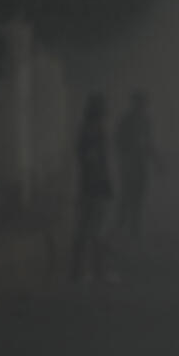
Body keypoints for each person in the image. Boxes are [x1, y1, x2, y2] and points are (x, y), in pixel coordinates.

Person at [70, 93, 116, 283]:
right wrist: (104, 184)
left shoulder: (87, 132)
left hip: (88, 186)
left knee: (86, 229)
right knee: (96, 231)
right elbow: (95, 162)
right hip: (95, 188)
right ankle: (94, 271)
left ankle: (84, 270)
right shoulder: (94, 134)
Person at [114, 90, 159, 239]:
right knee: (127, 195)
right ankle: (121, 225)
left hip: (140, 163)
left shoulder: (146, 121)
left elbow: (149, 142)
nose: (143, 107)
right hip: (129, 163)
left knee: (139, 194)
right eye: (140, 104)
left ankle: (133, 227)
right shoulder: (126, 121)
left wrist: (156, 160)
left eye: (144, 104)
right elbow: (117, 142)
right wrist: (126, 156)